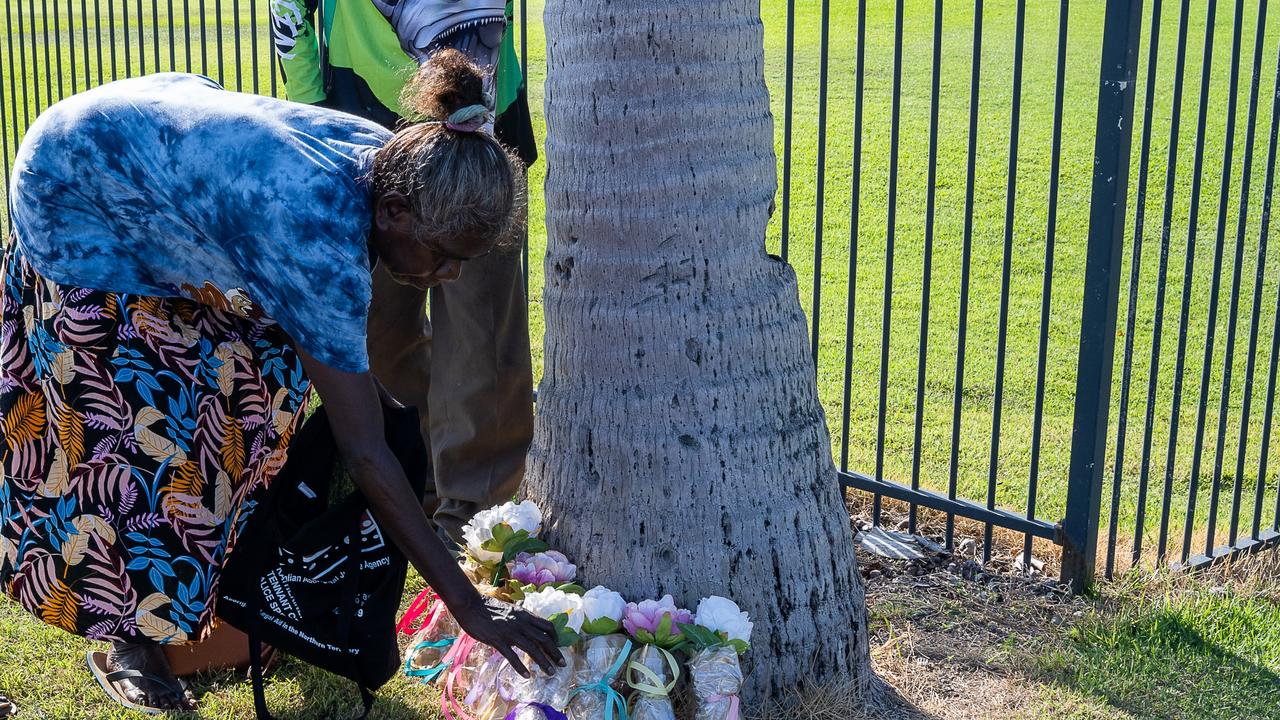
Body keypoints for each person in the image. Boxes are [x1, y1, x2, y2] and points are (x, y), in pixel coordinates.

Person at [0, 52, 560, 713]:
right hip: (81, 190)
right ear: (396, 214)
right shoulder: (315, 234)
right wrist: (470, 608)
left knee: (255, 397)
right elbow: (364, 452)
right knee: (150, 430)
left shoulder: (404, 163)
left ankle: (224, 610)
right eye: (443, 256)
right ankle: (136, 638)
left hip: (150, 146)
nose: (449, 277)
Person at [271, 0, 536, 543]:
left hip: (482, 113)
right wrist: (310, 98)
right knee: (378, 335)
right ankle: (413, 487)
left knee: (481, 333)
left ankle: (475, 519)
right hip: (364, 113)